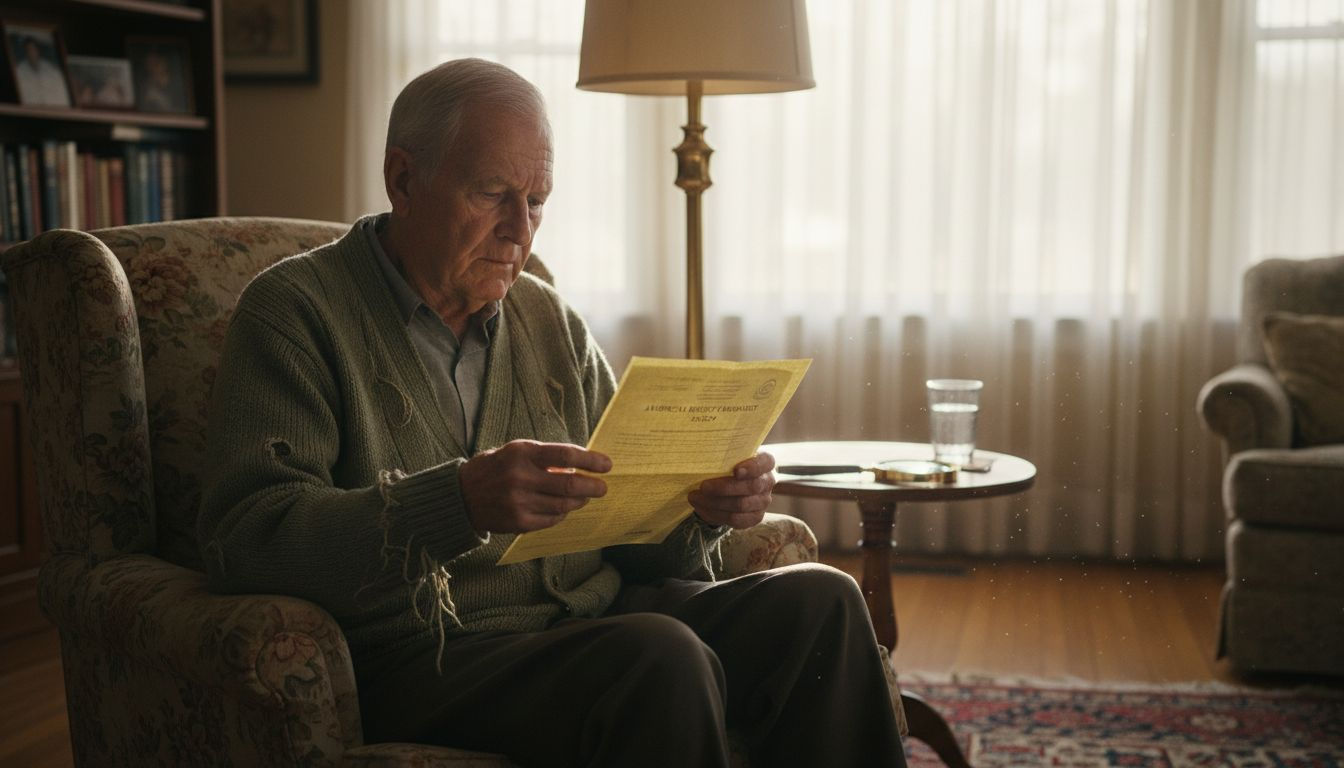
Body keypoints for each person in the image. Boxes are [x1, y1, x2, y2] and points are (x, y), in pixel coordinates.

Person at [199, 58, 907, 768]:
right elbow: (248, 538)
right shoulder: (294, 312)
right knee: (659, 655)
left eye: (537, 201)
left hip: (590, 621)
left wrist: (699, 509)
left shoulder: (546, 318)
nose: (520, 230)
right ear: (404, 179)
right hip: (427, 653)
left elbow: (633, 540)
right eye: (493, 194)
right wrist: (456, 502)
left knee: (824, 603)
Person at [11, 35, 70, 107]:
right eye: (29, 50)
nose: (32, 53)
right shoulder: (19, 71)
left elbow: (60, 92)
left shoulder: (50, 69)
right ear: (26, 52)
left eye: (34, 50)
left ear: (38, 51)